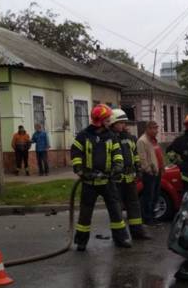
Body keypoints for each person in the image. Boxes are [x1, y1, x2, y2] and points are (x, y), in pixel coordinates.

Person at [70, 104, 131, 251]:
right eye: (107, 119)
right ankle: (81, 241)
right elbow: (76, 154)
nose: (109, 121)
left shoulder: (111, 136)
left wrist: (117, 168)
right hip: (89, 181)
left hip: (107, 180)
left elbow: (117, 155)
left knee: (115, 210)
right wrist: (80, 170)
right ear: (101, 120)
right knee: (85, 213)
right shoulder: (83, 136)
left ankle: (121, 238)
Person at [107, 109, 149, 241]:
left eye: (125, 123)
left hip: (130, 178)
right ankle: (119, 236)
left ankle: (137, 232)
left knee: (134, 205)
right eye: (121, 123)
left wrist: (139, 169)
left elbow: (135, 155)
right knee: (117, 209)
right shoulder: (108, 138)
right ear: (113, 123)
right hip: (116, 179)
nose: (124, 125)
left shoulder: (130, 138)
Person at [137, 120, 163, 225]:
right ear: (147, 129)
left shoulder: (154, 140)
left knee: (155, 196)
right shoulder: (142, 141)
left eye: (156, 128)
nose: (155, 130)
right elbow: (142, 159)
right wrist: (148, 170)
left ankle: (153, 217)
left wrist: (162, 167)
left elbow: (158, 155)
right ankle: (147, 218)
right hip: (149, 174)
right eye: (153, 128)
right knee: (148, 197)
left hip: (157, 172)